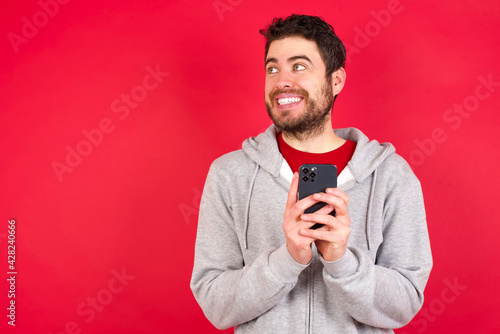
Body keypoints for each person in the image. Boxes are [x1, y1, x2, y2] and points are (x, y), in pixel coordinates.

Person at [190, 14, 432, 333]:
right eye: (272, 68)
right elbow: (216, 306)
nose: (282, 81)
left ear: (336, 81)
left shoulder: (391, 176)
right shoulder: (228, 175)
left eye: (299, 66)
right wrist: (287, 259)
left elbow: (404, 305)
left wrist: (341, 261)